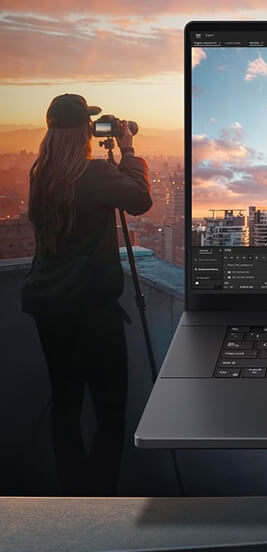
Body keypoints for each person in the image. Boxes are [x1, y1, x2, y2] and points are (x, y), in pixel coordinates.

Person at [20, 93, 152, 495]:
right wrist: (127, 149)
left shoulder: (40, 173)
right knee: (110, 412)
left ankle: (71, 498)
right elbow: (140, 201)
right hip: (93, 313)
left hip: (51, 309)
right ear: (83, 130)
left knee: (66, 403)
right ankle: (101, 503)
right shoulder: (92, 173)